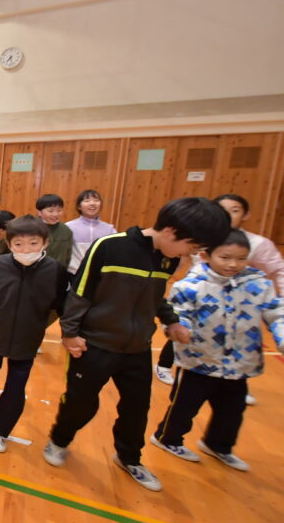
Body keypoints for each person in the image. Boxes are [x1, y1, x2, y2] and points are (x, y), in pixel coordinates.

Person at [44, 197, 230, 492]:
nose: (190, 254)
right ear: (170, 231)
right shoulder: (110, 246)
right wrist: (69, 333)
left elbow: (156, 297)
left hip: (137, 347)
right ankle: (59, 439)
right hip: (94, 344)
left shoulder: (168, 257)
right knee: (81, 402)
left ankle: (129, 457)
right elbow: (80, 292)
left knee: (137, 407)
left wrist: (171, 321)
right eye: (191, 247)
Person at [150, 229, 284, 472]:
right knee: (183, 407)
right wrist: (179, 329)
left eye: (241, 258)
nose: (233, 264)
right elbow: (177, 314)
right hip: (198, 361)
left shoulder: (258, 285)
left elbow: (277, 314)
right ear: (205, 255)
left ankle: (218, 445)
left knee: (232, 411)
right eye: (225, 257)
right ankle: (167, 438)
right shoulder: (191, 285)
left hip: (238, 364)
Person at [154, 194, 284, 405]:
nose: (232, 263)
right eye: (225, 257)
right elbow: (178, 261)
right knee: (184, 330)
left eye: (235, 210)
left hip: (239, 325)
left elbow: (278, 277)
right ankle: (165, 365)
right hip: (199, 343)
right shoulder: (194, 270)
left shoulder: (257, 249)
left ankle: (231, 379)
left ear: (246, 214)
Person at [0, 216, 68, 453]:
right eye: (18, 244)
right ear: (9, 244)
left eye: (33, 243)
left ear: (45, 243)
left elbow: (61, 305)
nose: (25, 249)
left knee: (15, 389)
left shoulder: (56, 271)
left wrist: (70, 333)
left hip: (27, 338)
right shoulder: (0, 263)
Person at [66, 190, 117, 275]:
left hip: (99, 276)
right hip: (74, 274)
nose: (92, 203)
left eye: (96, 200)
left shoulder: (110, 229)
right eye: (87, 201)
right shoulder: (68, 227)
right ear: (79, 206)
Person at [35, 194, 73, 270]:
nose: (55, 214)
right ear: (39, 212)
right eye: (50, 211)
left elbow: (67, 256)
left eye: (59, 210)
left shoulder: (66, 230)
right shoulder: (31, 228)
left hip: (58, 271)